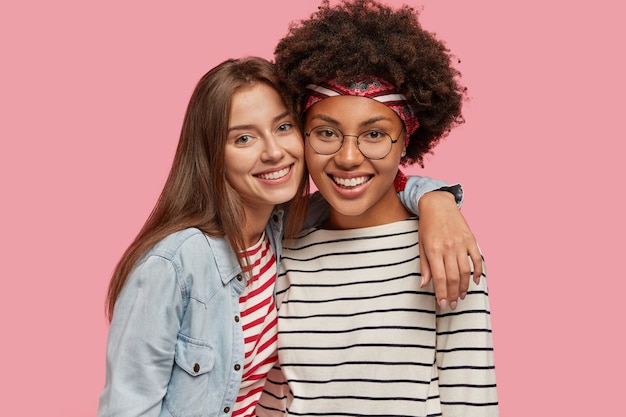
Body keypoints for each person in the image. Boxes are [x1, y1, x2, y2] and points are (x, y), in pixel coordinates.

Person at [97, 57, 482, 416]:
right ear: (213, 154)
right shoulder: (175, 264)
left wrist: (437, 199)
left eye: (282, 128)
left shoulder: (286, 232)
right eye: (243, 139)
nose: (273, 152)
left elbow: (368, 187)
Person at [256, 1, 498, 415]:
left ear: (407, 140)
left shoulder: (446, 246)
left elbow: (471, 398)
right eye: (327, 132)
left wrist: (437, 201)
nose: (348, 158)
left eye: (374, 134)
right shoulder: (285, 243)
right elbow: (275, 393)